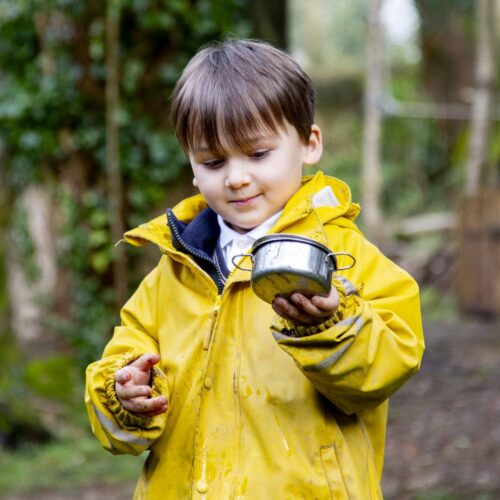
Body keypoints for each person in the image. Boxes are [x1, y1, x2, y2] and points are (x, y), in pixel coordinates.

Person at [85, 38, 424, 499]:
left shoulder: (345, 254)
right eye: (213, 161)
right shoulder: (175, 271)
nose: (236, 177)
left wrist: (331, 324)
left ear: (309, 144)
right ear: (192, 167)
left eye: (258, 154)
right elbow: (122, 379)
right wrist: (126, 395)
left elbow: (388, 366)